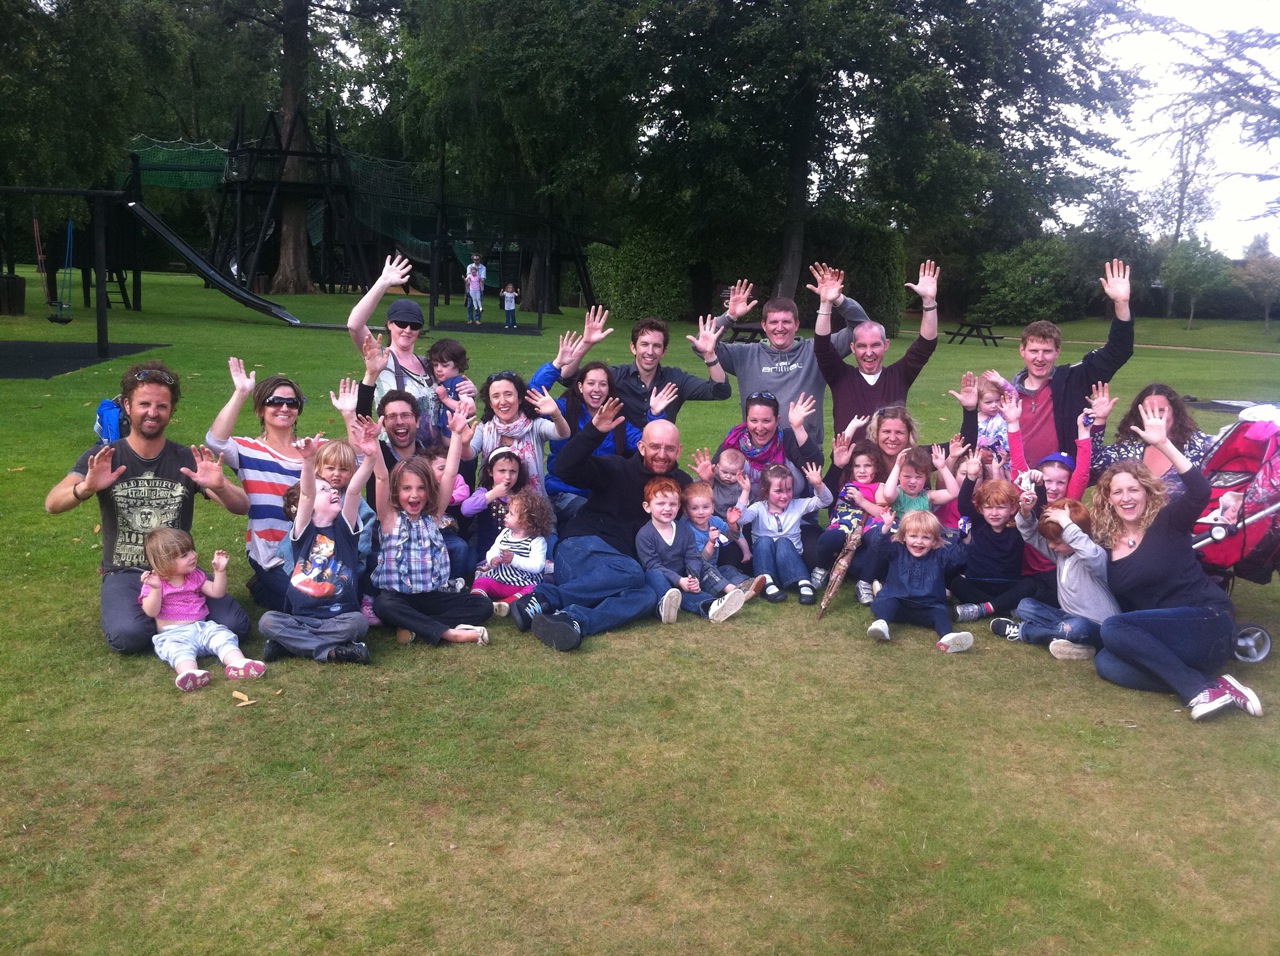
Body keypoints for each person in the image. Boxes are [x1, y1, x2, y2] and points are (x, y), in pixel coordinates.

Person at [45, 360, 251, 654]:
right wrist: (86, 488)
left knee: (236, 625)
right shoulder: (105, 456)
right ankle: (175, 622)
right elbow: (52, 503)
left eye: (161, 406)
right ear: (127, 406)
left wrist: (219, 486)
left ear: (171, 410)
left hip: (179, 571)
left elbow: (241, 506)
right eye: (144, 404)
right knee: (128, 636)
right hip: (126, 571)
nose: (152, 412)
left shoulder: (185, 458)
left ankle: (173, 620)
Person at [1089, 402, 1262, 721]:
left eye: (1133, 490)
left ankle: (1198, 691)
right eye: (1118, 492)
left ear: (1146, 492)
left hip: (1208, 622)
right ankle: (1213, 685)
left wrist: (1162, 443)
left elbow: (1200, 490)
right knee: (1107, 662)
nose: (1126, 498)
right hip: (1170, 642)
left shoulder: (1169, 520)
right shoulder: (1106, 544)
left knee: (1114, 628)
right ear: (1108, 500)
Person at [508, 404, 692, 651]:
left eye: (669, 448)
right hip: (579, 550)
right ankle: (544, 598)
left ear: (678, 450)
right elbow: (563, 468)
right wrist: (593, 432)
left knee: (647, 595)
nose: (662, 454)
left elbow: (701, 516)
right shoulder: (616, 469)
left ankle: (571, 621)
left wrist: (708, 483)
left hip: (614, 574)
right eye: (655, 446)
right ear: (641, 447)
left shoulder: (680, 485)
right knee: (632, 572)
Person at [366, 412, 493, 647]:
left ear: (429, 490)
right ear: (396, 492)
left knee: (482, 605)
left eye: (421, 488)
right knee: (383, 605)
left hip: (432, 597)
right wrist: (374, 440)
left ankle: (415, 626)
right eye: (406, 488)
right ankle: (450, 633)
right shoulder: (389, 518)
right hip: (398, 598)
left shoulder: (433, 517)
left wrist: (456, 434)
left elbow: (450, 473)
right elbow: (381, 477)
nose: (414, 495)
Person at [257, 434, 376, 666]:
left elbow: (353, 491)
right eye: (324, 490)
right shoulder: (303, 532)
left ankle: (291, 645)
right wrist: (309, 460)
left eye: (333, 490)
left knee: (359, 623)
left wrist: (370, 457)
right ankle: (333, 651)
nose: (334, 491)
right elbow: (306, 493)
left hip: (340, 617)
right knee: (267, 621)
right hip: (300, 618)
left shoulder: (345, 530)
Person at [707, 276, 868, 446]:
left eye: (786, 322)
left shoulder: (818, 351)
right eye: (773, 322)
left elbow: (862, 328)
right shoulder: (745, 355)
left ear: (796, 324)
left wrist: (839, 300)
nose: (780, 328)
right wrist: (730, 316)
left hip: (805, 451)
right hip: (759, 451)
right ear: (764, 325)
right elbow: (704, 346)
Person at [204, 358, 308, 612]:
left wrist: (349, 414)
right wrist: (241, 392)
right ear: (260, 410)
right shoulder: (247, 449)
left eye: (292, 402)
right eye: (275, 401)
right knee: (304, 603)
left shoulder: (312, 449)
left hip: (311, 547)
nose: (284, 407)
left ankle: (262, 587)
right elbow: (215, 441)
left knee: (329, 595)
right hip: (269, 551)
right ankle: (264, 583)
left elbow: (358, 458)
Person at [1009, 258, 1134, 467]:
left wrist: (1121, 303)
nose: (1040, 358)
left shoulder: (1073, 379)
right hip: (1018, 478)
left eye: (1047, 351)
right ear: (1022, 351)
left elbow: (1118, 351)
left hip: (1062, 479)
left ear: (1057, 352)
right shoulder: (1009, 394)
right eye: (1033, 351)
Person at [811, 261, 941, 441]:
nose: (869, 352)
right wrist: (826, 303)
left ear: (886, 345)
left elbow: (926, 345)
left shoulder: (898, 376)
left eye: (875, 345)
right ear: (852, 348)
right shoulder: (840, 376)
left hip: (891, 458)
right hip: (849, 459)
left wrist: (929, 301)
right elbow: (822, 347)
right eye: (862, 346)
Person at [529, 343, 649, 526]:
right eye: (591, 383)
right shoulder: (565, 409)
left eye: (603, 384)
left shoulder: (616, 421)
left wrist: (655, 414)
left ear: (609, 389)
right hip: (563, 492)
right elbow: (530, 394)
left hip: (598, 494)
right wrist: (556, 365)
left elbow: (647, 445)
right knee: (590, 518)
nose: (597, 389)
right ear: (580, 386)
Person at [559, 308, 732, 429]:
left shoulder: (676, 379)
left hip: (660, 458)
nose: (650, 352)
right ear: (633, 348)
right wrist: (586, 343)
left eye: (656, 346)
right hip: (620, 459)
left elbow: (720, 391)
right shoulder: (615, 376)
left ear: (663, 352)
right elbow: (567, 377)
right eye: (644, 344)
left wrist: (709, 355)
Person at [991, 497, 1119, 660]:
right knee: (1025, 606)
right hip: (1065, 617)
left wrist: (1066, 523)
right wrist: (1025, 513)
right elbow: (1032, 536)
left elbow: (1088, 552)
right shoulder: (1062, 554)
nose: (1051, 545)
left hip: (1098, 626)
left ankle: (1024, 631)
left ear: (1073, 535)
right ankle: (1071, 642)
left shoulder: (1095, 555)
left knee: (1077, 627)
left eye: (1056, 542)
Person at [140, 529, 264, 691]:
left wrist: (219, 572)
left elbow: (216, 592)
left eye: (191, 550)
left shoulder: (195, 575)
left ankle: (238, 663)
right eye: (184, 555)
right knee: (179, 651)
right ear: (165, 562)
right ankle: (190, 674)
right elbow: (151, 611)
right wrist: (155, 589)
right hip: (174, 634)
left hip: (202, 628)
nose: (193, 556)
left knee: (222, 636)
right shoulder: (155, 583)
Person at [636, 477, 748, 623]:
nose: (667, 508)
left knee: (702, 566)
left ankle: (712, 606)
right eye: (661, 504)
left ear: (678, 506)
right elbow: (652, 565)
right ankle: (664, 606)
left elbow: (692, 556)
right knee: (653, 573)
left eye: (672, 504)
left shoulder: (684, 529)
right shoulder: (645, 535)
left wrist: (692, 577)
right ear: (647, 507)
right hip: (663, 579)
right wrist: (678, 580)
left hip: (684, 577)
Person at [865, 511, 974, 653]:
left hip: (927, 607)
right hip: (898, 603)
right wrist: (886, 526)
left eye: (926, 537)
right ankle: (881, 624)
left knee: (940, 612)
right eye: (913, 536)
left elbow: (959, 557)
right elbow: (878, 545)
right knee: (887, 602)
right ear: (904, 537)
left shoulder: (940, 555)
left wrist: (966, 537)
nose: (919, 542)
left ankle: (947, 637)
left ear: (934, 541)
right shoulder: (896, 550)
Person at [1089, 382, 1214, 497]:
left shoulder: (1199, 446)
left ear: (1174, 412)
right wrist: (1099, 420)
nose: (1155, 415)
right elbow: (1093, 463)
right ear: (1140, 416)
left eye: (1161, 410)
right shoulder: (1129, 448)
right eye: (1148, 411)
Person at [949, 460, 1036, 623]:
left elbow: (1032, 514)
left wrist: (1038, 487)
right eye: (988, 507)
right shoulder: (978, 523)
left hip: (1008, 584)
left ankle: (982, 609)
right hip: (978, 582)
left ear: (1012, 508)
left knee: (1030, 584)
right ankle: (1004, 608)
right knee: (955, 582)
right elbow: (963, 505)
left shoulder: (1019, 527)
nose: (994, 513)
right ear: (980, 509)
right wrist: (971, 477)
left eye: (1001, 507)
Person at [737, 462, 834, 605]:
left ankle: (803, 582)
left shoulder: (796, 505)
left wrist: (818, 485)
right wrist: (745, 491)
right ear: (765, 491)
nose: (785, 495)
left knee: (783, 542)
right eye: (778, 491)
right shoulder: (758, 508)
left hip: (790, 561)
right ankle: (766, 582)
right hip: (766, 561)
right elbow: (741, 519)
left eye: (789, 490)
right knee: (763, 541)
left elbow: (826, 501)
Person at [461, 370, 570, 496]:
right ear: (490, 403)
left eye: (508, 394)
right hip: (492, 502)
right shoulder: (484, 429)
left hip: (533, 504)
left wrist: (556, 414)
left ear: (519, 398)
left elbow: (563, 434)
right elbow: (468, 455)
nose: (502, 401)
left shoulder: (534, 425)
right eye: (496, 396)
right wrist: (464, 443)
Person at [711, 390, 823, 498]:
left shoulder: (787, 439)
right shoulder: (735, 441)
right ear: (746, 420)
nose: (760, 428)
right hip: (747, 508)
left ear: (777, 420)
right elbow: (714, 475)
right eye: (754, 420)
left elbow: (815, 465)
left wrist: (797, 427)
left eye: (766, 421)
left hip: (793, 507)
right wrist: (708, 479)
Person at [472, 488, 554, 616]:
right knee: (481, 581)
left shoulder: (537, 541)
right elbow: (493, 550)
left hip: (523, 583)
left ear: (525, 523)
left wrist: (514, 559)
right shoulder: (505, 533)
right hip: (500, 580)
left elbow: (537, 566)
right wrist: (493, 559)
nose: (506, 515)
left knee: (533, 589)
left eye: (511, 514)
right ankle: (477, 600)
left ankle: (506, 604)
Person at [678, 481, 765, 598]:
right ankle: (734, 591)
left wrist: (732, 524)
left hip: (714, 567)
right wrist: (711, 542)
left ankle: (746, 584)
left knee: (727, 569)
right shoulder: (688, 530)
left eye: (705, 507)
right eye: (694, 508)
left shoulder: (715, 521)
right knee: (708, 571)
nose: (701, 512)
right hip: (696, 573)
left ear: (712, 507)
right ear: (685, 511)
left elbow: (733, 536)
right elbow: (702, 559)